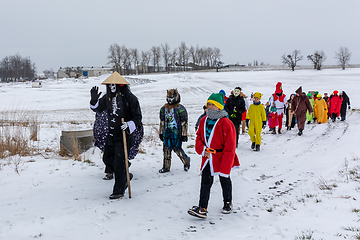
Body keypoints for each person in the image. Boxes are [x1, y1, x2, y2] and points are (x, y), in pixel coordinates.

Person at [90, 72, 142, 199]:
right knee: (107, 159)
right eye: (110, 85)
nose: (112, 87)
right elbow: (98, 109)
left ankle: (119, 190)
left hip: (124, 135)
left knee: (119, 163)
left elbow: (138, 117)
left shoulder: (130, 98)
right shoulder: (107, 98)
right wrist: (94, 101)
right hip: (111, 134)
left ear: (120, 85)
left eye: (114, 84)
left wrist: (129, 124)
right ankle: (125, 175)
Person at [188, 93, 240, 219]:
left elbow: (230, 146)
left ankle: (228, 202)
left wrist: (226, 165)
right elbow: (199, 137)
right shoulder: (203, 120)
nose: (210, 107)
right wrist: (202, 149)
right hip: (207, 157)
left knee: (224, 179)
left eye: (213, 104)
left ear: (219, 106)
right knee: (206, 181)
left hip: (222, 156)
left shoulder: (226, 123)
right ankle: (202, 207)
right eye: (209, 104)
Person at [93, 110, 144, 180]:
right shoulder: (106, 104)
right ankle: (112, 171)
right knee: (109, 152)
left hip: (122, 131)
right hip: (109, 131)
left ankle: (121, 171)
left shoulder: (127, 102)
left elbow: (135, 117)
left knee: (120, 151)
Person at [159, 89, 190, 173]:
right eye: (168, 97)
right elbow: (162, 122)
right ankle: (166, 167)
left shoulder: (181, 109)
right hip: (166, 134)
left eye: (171, 97)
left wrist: (184, 134)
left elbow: (184, 122)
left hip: (177, 134)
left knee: (178, 150)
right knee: (166, 150)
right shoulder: (163, 109)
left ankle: (186, 161)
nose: (169, 99)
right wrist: (161, 133)